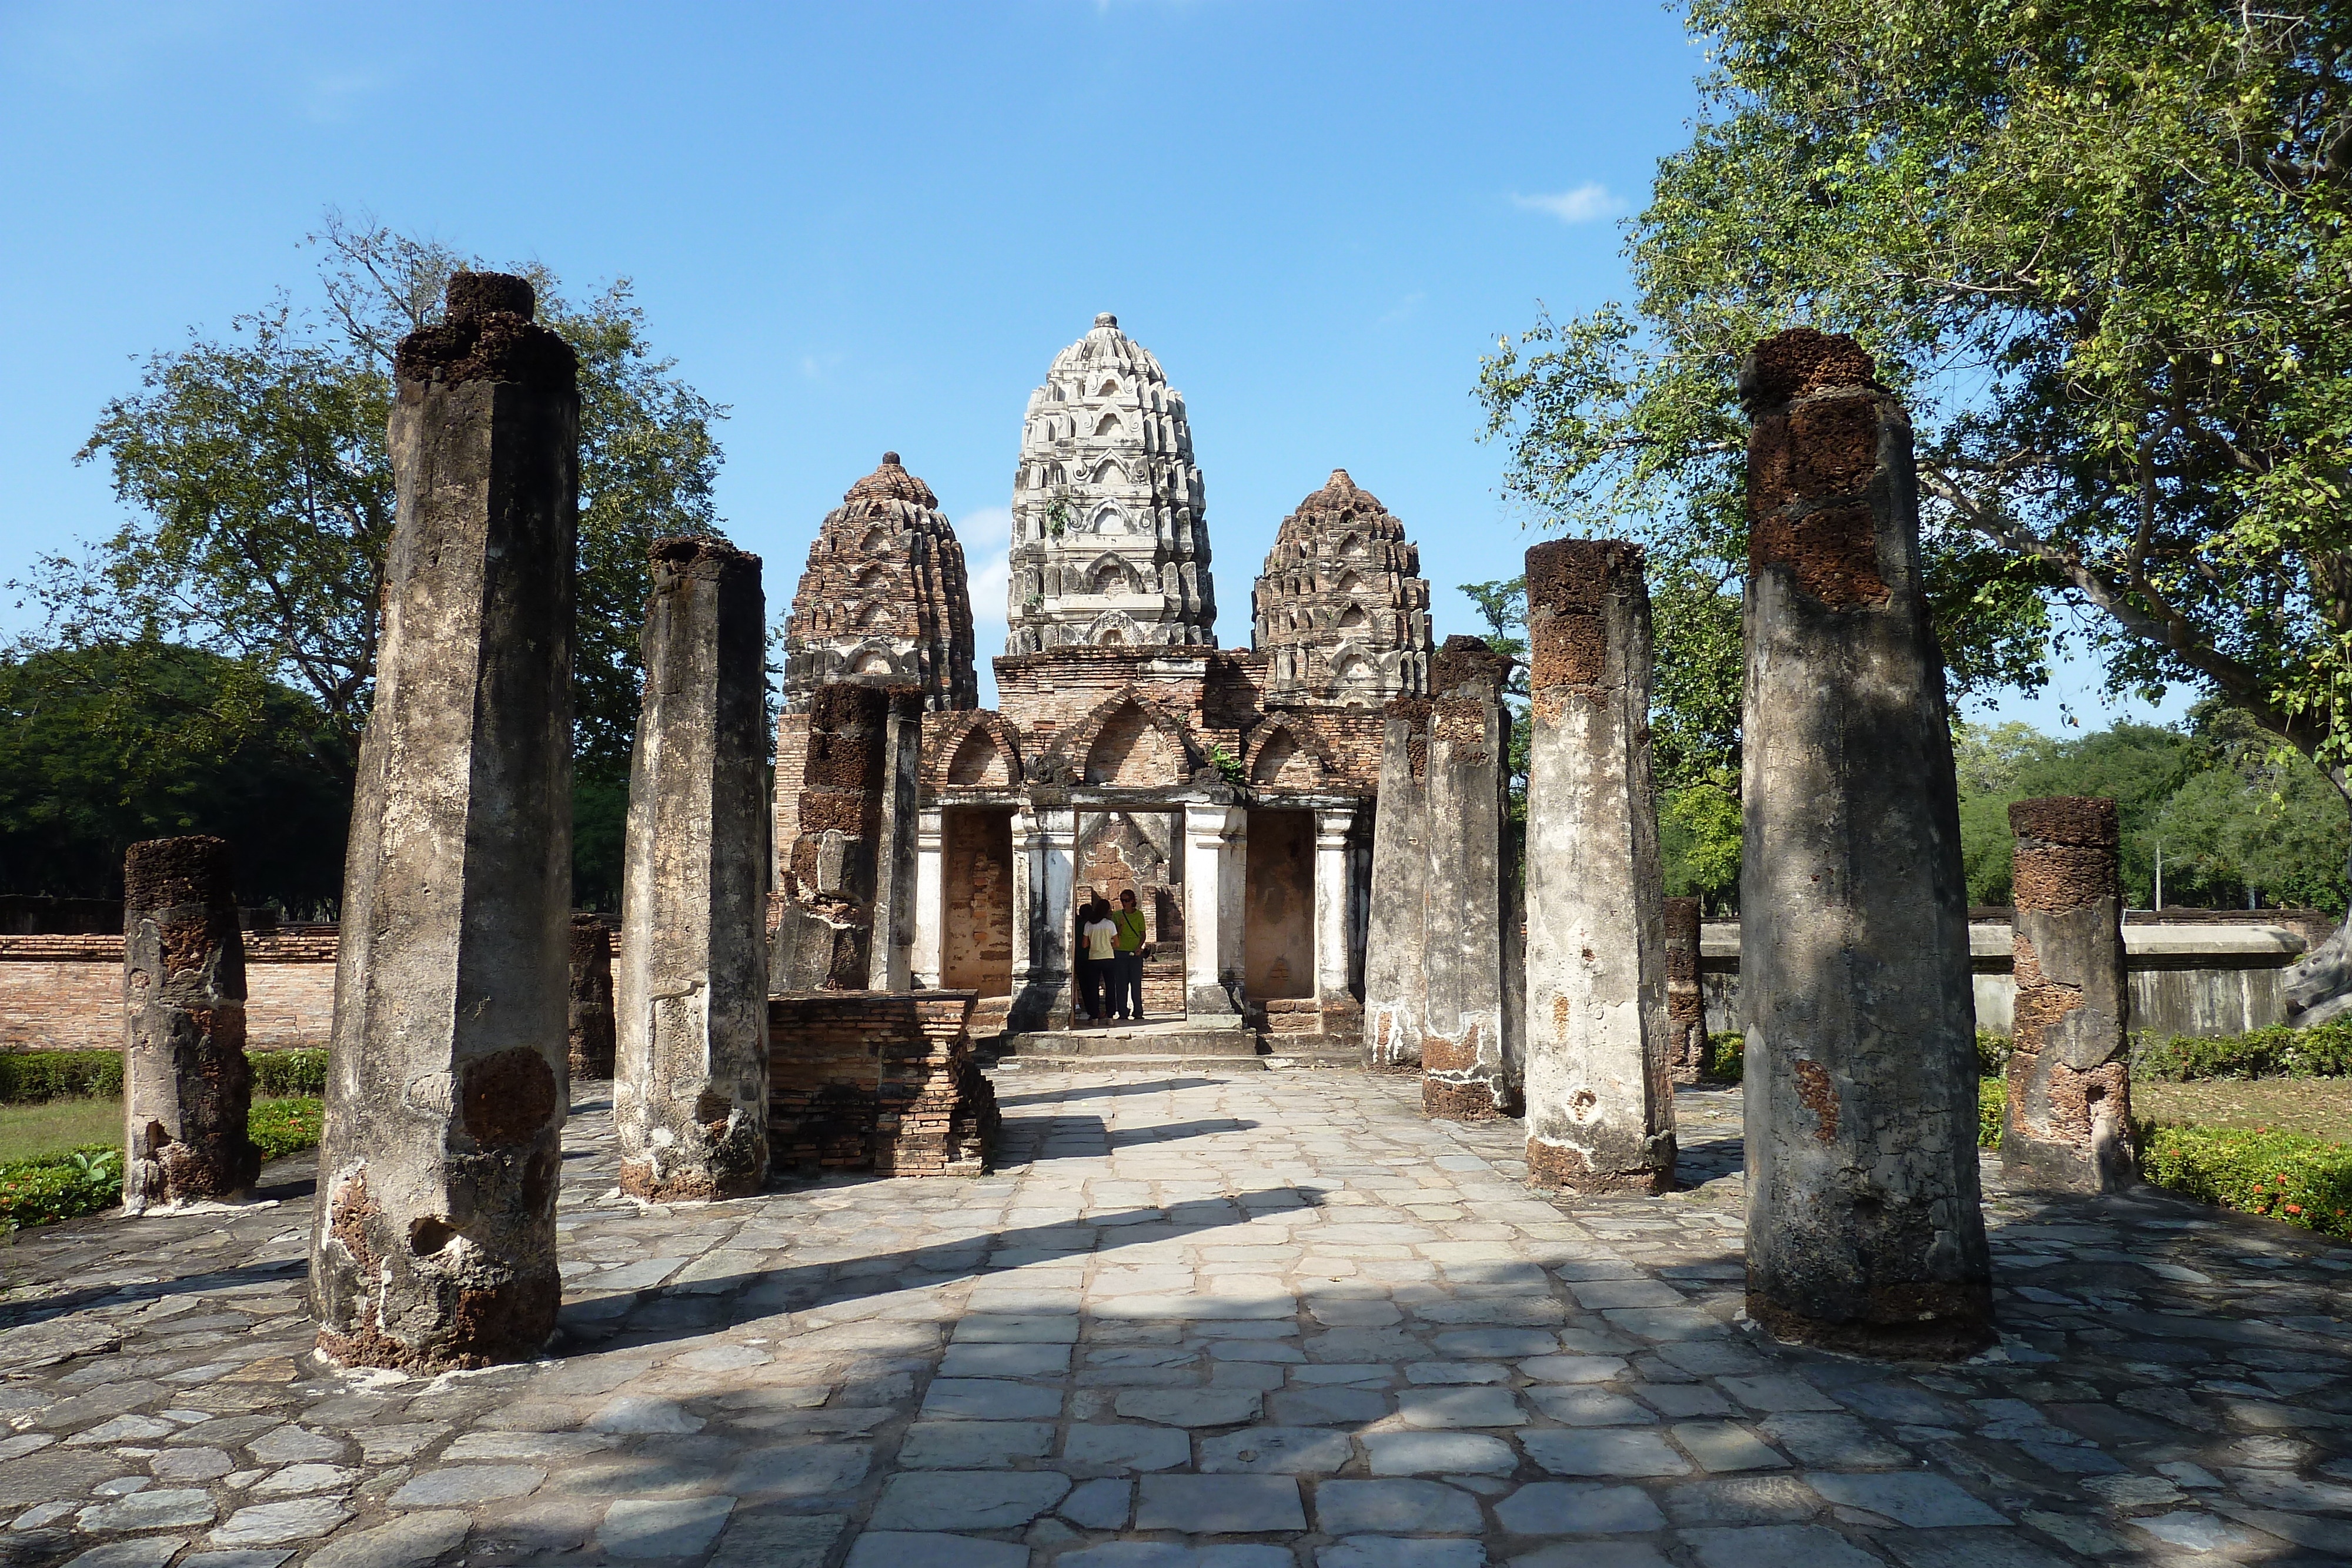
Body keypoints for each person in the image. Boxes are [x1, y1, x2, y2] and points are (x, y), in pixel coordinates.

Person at [1111, 888, 1149, 1022]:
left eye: (1126, 901)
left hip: (1135, 954)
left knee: (1136, 984)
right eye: (1122, 901)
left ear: (1132, 901)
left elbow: (1143, 934)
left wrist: (1139, 947)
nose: (1124, 903)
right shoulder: (1117, 916)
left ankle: (1138, 1011)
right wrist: (1120, 926)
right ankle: (1123, 1011)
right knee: (1121, 985)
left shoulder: (1139, 915)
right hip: (1120, 953)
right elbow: (1115, 935)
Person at [1078, 898, 1118, 1024]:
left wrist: (1094, 943)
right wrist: (1107, 945)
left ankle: (1094, 1016)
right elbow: (1117, 943)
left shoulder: (1089, 925)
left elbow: (1084, 945)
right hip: (1108, 957)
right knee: (1110, 987)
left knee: (1093, 988)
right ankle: (1110, 1016)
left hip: (1093, 958)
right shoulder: (1109, 924)